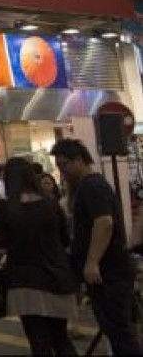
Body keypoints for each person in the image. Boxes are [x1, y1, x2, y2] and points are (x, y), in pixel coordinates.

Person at [52, 138, 143, 354]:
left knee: (120, 331)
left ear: (79, 160)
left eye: (64, 164)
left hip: (109, 273)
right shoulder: (86, 187)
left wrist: (92, 262)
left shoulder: (93, 186)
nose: (61, 171)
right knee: (115, 330)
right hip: (105, 273)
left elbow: (105, 223)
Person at [0, 157, 78, 354]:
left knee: (38, 341)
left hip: (23, 280)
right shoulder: (51, 204)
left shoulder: (3, 209)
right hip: (56, 276)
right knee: (60, 338)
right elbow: (64, 239)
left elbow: (0, 246)